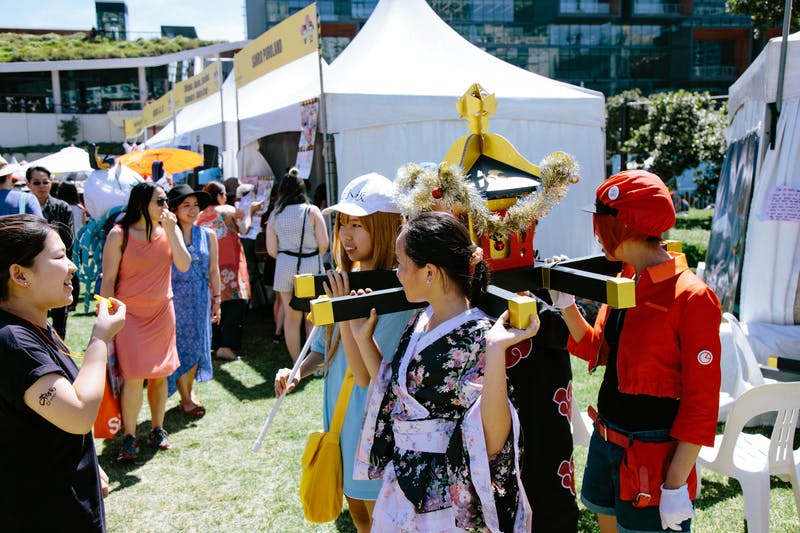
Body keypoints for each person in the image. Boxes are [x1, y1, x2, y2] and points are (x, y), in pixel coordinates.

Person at [553, 170, 721, 533]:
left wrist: (676, 483)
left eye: (601, 222)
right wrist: (566, 305)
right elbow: (597, 348)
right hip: (607, 439)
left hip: (653, 455)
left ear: (624, 224)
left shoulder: (692, 297)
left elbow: (702, 402)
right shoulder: (627, 279)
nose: (597, 233)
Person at [351, 211, 537, 531]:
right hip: (405, 478)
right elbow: (395, 389)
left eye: (402, 264)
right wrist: (362, 338)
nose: (397, 273)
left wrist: (495, 352)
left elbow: (492, 436)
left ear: (430, 272)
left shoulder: (477, 334)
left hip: (446, 492)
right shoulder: (422, 319)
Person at [274, 173, 414, 532]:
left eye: (358, 224)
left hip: (376, 428)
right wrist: (298, 372)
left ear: (385, 227)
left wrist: (345, 310)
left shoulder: (398, 294)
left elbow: (368, 374)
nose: (346, 234)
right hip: (341, 422)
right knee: (358, 516)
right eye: (342, 223)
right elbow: (322, 348)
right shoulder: (342, 278)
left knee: (377, 518)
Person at [0, 214, 126, 530]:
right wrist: (100, 338)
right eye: (59, 257)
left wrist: (88, 463)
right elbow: (79, 414)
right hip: (43, 512)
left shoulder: (37, 327)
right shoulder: (14, 341)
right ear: (19, 274)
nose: (72, 266)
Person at [99, 181, 191, 460]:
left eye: (165, 201)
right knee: (134, 377)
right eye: (160, 201)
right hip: (129, 316)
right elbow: (109, 279)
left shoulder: (168, 231)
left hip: (162, 312)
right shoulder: (119, 235)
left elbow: (184, 264)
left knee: (161, 375)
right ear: (142, 204)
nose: (165, 206)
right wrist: (106, 314)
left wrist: (174, 230)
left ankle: (157, 428)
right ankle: (129, 436)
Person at [166, 184, 220, 416]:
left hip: (200, 296)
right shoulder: (167, 235)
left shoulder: (208, 235)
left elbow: (214, 270)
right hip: (174, 298)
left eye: (195, 205)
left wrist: (217, 299)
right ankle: (186, 398)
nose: (192, 210)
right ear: (175, 210)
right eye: (185, 205)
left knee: (199, 345)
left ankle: (187, 391)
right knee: (179, 347)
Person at [266, 168, 328, 362]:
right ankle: (314, 360)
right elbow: (324, 244)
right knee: (312, 315)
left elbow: (271, 250)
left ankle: (296, 362)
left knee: (292, 318)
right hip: (310, 264)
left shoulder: (275, 214)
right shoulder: (312, 211)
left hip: (284, 265)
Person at [197, 180, 251, 361]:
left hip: (209, 266)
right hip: (232, 265)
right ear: (220, 197)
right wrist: (250, 212)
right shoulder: (229, 211)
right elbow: (244, 228)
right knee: (234, 305)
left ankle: (214, 343)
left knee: (214, 305)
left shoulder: (200, 217)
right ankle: (227, 346)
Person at [26, 166, 75, 338]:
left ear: (51, 182)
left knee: (60, 310)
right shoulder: (23, 206)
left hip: (58, 264)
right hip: (33, 267)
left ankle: (60, 346)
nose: (41, 186)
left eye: (45, 182)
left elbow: (69, 239)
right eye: (36, 182)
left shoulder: (62, 207)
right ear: (28, 184)